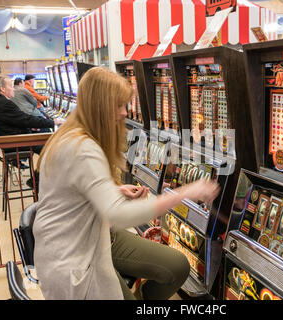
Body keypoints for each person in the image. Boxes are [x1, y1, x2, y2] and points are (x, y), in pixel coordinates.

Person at [33, 67, 220, 300]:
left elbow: (76, 189)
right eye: (118, 105)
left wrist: (113, 190)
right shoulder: (82, 148)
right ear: (99, 107)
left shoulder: (74, 134)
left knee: (177, 265)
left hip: (95, 238)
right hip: (74, 257)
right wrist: (185, 192)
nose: (124, 113)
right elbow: (121, 215)